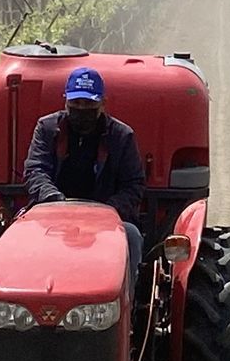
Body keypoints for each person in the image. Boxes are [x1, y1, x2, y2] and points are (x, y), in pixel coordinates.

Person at [23, 66, 146, 292]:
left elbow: (133, 185)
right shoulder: (47, 128)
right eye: (76, 104)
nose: (82, 109)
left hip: (106, 224)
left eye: (89, 104)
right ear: (65, 101)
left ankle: (127, 306)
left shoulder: (122, 136)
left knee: (132, 237)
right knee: (20, 238)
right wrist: (55, 201)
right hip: (52, 215)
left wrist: (107, 212)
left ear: (102, 104)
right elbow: (35, 170)